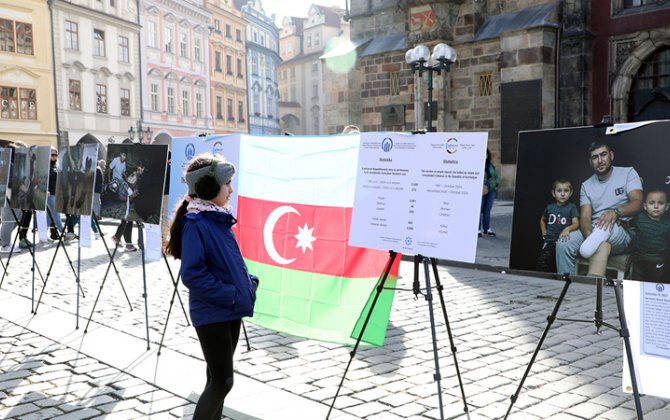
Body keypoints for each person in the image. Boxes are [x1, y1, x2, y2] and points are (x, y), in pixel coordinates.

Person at [164, 154, 257, 420]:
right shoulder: (197, 223)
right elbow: (193, 274)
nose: (231, 189)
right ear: (207, 187)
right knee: (223, 382)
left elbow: (227, 263)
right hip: (214, 312)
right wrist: (230, 295)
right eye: (227, 183)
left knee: (215, 379)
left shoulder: (216, 218)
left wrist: (248, 285)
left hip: (229, 310)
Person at [555, 141, 643, 275]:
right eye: (595, 157)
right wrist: (590, 237)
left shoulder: (628, 173)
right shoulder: (586, 185)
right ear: (591, 162)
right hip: (594, 230)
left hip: (621, 230)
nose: (600, 160)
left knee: (607, 228)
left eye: (603, 155)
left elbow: (638, 202)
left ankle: (592, 246)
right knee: (563, 244)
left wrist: (616, 212)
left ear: (611, 155)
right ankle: (567, 287)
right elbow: (585, 217)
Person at [536, 179, 579, 273]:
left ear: (570, 193)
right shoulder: (550, 207)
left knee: (559, 265)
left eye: (566, 191)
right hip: (549, 241)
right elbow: (542, 219)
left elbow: (576, 223)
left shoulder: (572, 207)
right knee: (543, 263)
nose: (562, 194)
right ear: (553, 193)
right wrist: (543, 231)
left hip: (562, 241)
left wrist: (568, 228)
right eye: (559, 191)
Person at [628, 189, 670, 281]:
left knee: (654, 285)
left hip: (657, 260)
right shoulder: (640, 218)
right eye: (651, 203)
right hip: (639, 258)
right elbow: (628, 225)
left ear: (666, 207)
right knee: (636, 283)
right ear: (645, 206)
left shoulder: (667, 224)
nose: (656, 206)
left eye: (660, 203)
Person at [480, 148, 499, 237]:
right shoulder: (478, 164)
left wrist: (496, 184)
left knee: (487, 210)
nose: (485, 155)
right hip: (482, 190)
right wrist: (485, 181)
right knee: (480, 211)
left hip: (491, 190)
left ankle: (487, 229)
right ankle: (477, 230)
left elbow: (495, 175)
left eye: (486, 153)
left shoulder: (490, 165)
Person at [47, 147, 64, 240]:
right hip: (50, 194)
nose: (55, 157)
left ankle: (42, 235)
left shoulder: (56, 166)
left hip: (56, 193)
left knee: (49, 216)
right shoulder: (47, 166)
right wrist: (46, 189)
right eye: (52, 155)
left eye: (56, 155)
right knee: (56, 214)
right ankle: (63, 233)